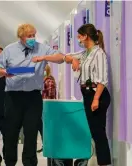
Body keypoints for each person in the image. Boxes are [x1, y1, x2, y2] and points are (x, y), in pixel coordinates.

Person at [0, 23, 77, 166]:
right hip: (13, 97)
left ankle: (30, 163)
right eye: (29, 36)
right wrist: (4, 72)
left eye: (34, 35)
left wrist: (44, 57)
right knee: (11, 134)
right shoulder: (9, 50)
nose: (32, 38)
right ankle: (10, 162)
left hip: (33, 97)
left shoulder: (41, 48)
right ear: (21, 37)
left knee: (31, 133)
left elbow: (60, 57)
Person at [32, 23, 111, 166]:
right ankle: (98, 161)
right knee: (94, 131)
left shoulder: (98, 53)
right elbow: (63, 57)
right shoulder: (85, 53)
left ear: (86, 36)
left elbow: (102, 80)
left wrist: (96, 99)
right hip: (87, 95)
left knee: (98, 132)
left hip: (97, 94)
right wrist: (44, 58)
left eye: (79, 36)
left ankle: (104, 163)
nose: (78, 39)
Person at [37, 64, 57, 153]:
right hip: (41, 108)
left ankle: (48, 146)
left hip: (47, 108)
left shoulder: (49, 81)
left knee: (45, 128)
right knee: (42, 128)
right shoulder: (41, 80)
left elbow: (50, 96)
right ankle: (45, 145)